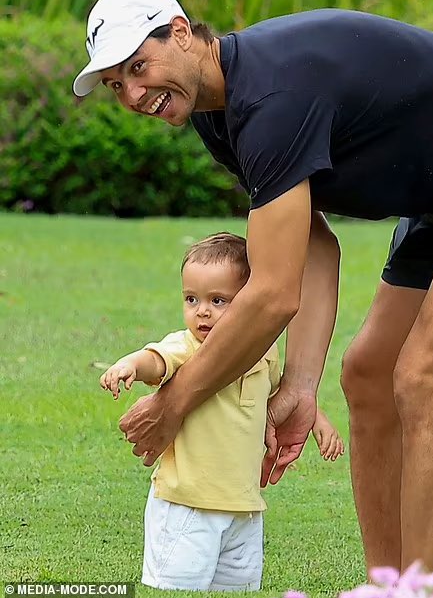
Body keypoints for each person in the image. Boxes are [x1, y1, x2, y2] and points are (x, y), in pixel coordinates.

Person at [74, 0, 433, 572]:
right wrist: (301, 386)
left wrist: (174, 402)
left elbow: (272, 293)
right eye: (117, 84)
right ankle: (387, 583)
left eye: (139, 67)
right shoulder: (218, 116)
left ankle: (429, 589)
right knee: (369, 373)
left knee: (425, 380)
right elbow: (313, 243)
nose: (134, 93)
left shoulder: (270, 96)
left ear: (179, 31)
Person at [99, 232, 344, 591]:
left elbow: (283, 391)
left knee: (237, 590)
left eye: (218, 300)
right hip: (187, 505)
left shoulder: (264, 352)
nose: (202, 311)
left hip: (243, 508)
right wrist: (129, 366)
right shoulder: (188, 346)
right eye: (191, 299)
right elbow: (156, 360)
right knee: (178, 590)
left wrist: (320, 423)